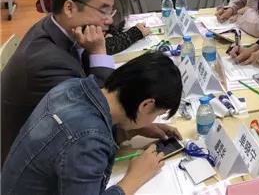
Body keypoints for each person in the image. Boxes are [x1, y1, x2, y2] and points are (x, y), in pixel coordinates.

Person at [2, 52, 183, 194]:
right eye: (158, 114)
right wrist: (134, 178)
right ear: (146, 105)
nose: (153, 120)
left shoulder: (72, 86)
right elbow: (84, 142)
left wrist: (130, 131)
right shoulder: (88, 140)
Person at [0, 0, 118, 163]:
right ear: (69, 8)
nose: (110, 20)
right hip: (29, 163)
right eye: (103, 11)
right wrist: (98, 51)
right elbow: (98, 111)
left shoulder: (56, 26)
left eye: (111, 11)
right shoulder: (47, 62)